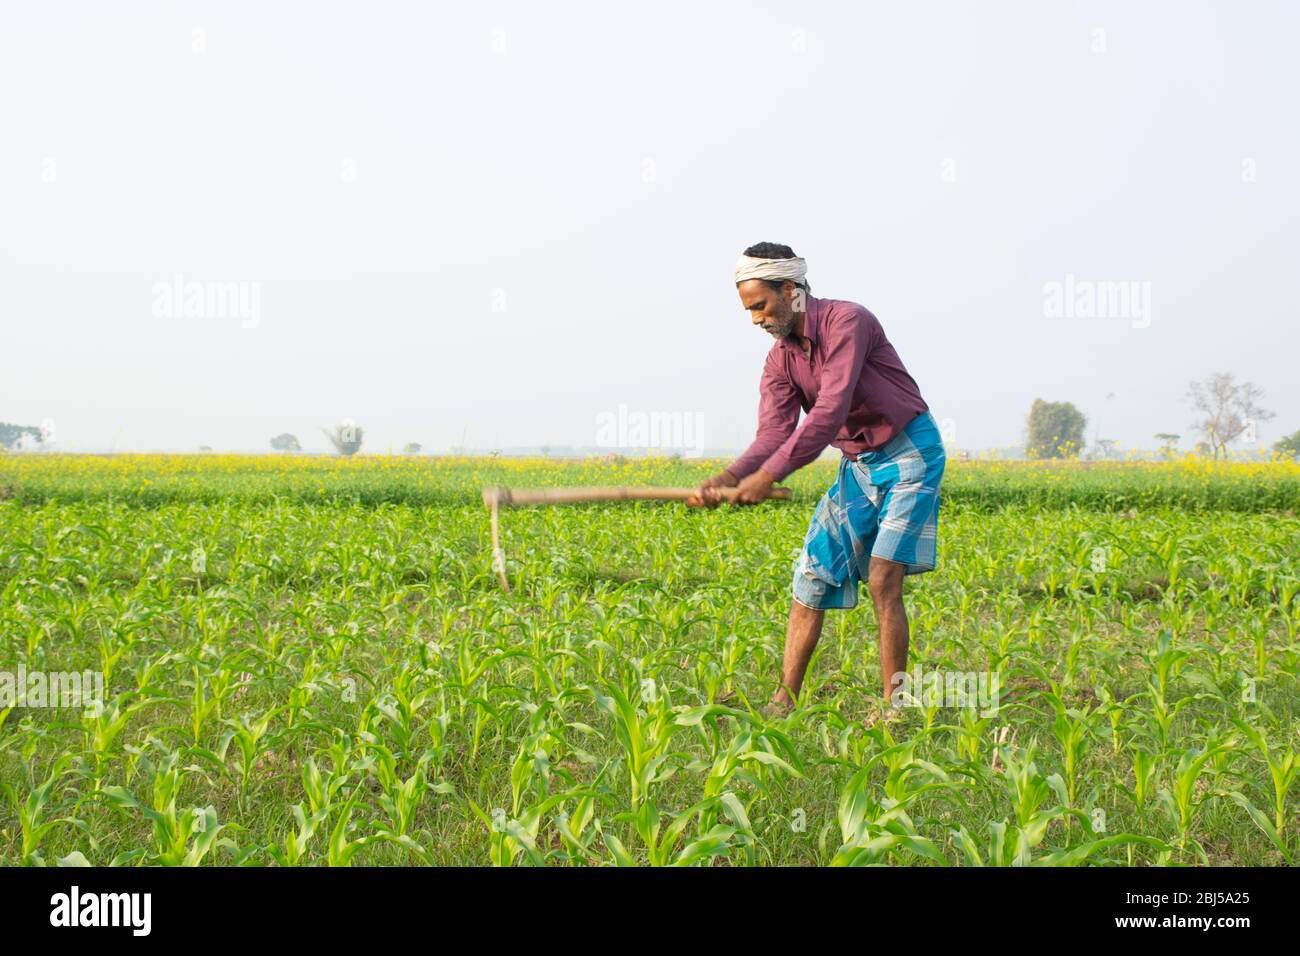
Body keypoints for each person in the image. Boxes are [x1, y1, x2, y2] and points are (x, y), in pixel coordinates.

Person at [687, 242, 946, 720]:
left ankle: (895, 707)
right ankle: (783, 702)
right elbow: (773, 434)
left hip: (911, 454)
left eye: (760, 306)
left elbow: (828, 413)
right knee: (811, 574)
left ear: (791, 290)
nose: (755, 320)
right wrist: (726, 479)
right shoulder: (780, 361)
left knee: (883, 576)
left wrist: (768, 477)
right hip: (859, 466)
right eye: (748, 310)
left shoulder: (848, 322)